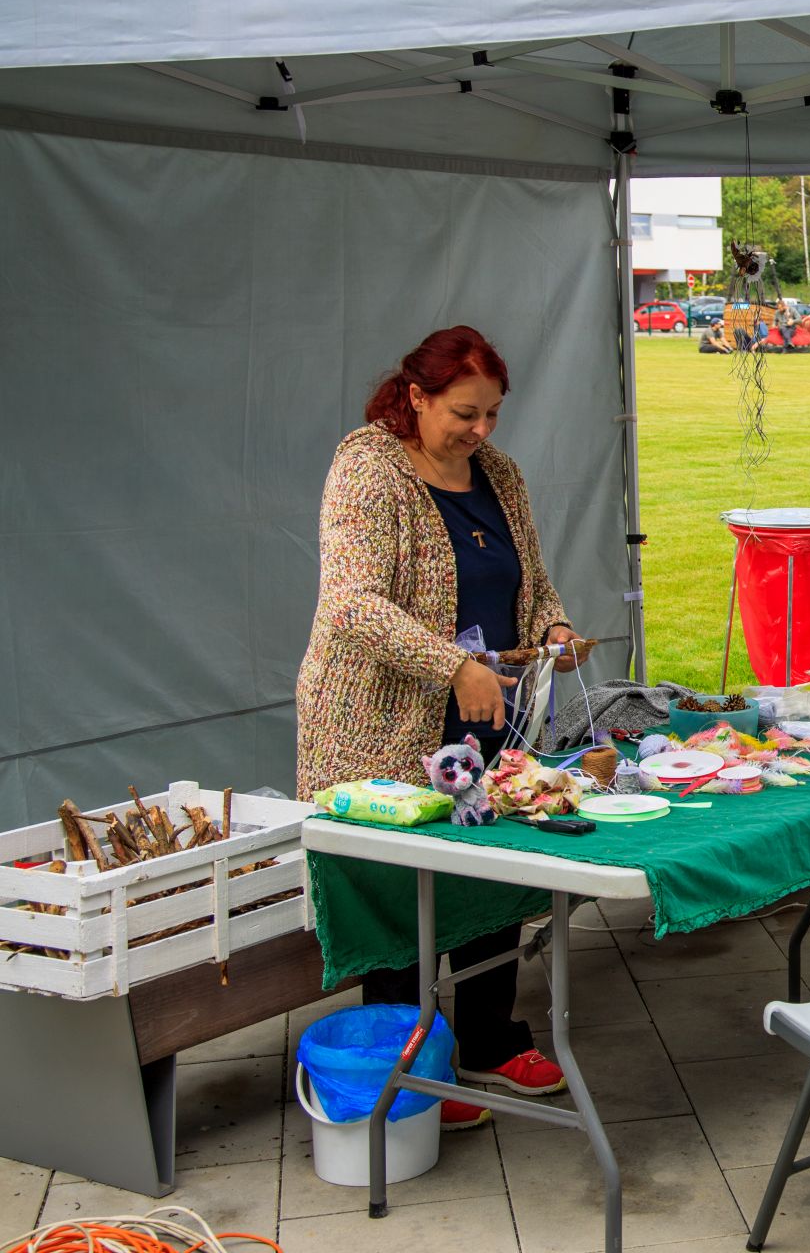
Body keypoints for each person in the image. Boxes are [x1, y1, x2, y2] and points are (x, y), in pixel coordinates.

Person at [296, 326, 582, 1132]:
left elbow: (531, 581)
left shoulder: (500, 474)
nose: (480, 430)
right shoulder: (368, 469)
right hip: (378, 722)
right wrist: (450, 664)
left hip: (485, 717)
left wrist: (555, 628)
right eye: (464, 413)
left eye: (493, 413)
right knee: (400, 895)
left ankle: (490, 1040)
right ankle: (413, 1069)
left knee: (489, 872)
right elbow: (351, 603)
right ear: (416, 398)